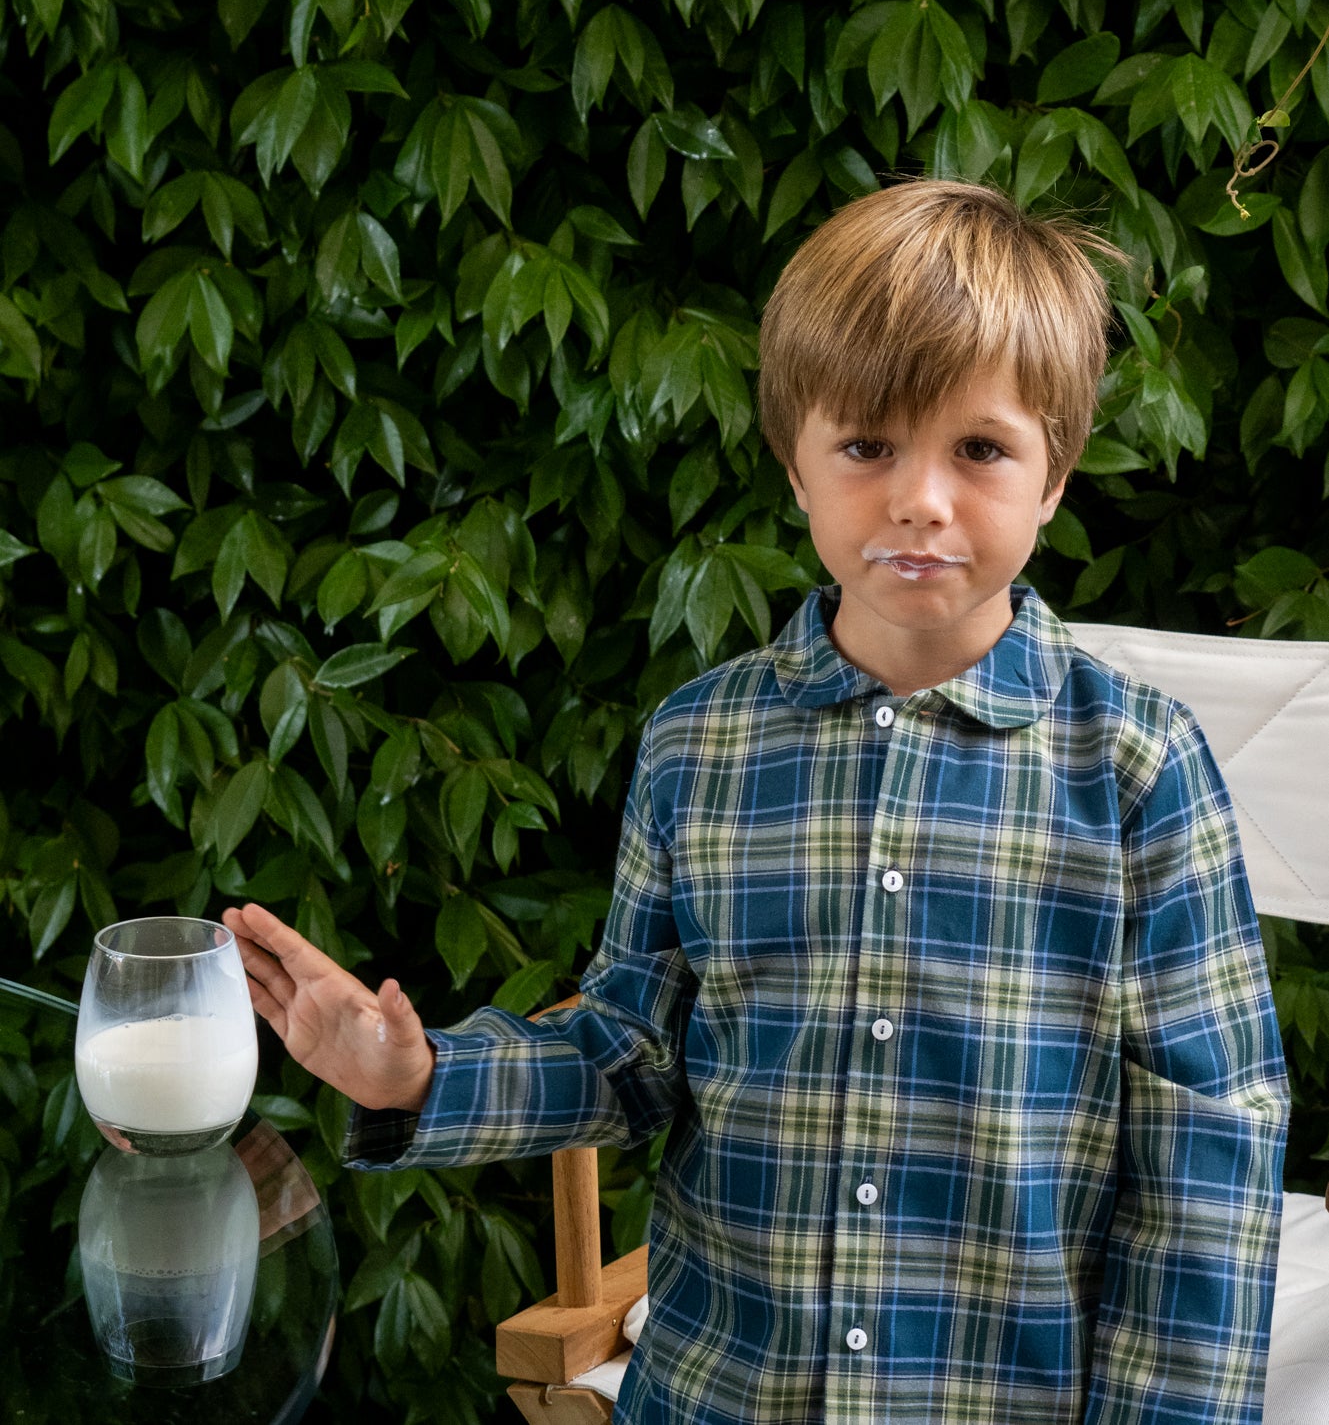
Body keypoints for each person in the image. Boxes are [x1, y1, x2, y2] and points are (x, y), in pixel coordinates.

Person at [224, 179, 1289, 1425]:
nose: (921, 498)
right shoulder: (700, 745)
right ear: (796, 464)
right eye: (868, 445)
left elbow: (1210, 1157)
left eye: (980, 449)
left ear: (1054, 473)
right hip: (720, 1390)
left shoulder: (1137, 768)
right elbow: (628, 1055)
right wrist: (419, 1076)